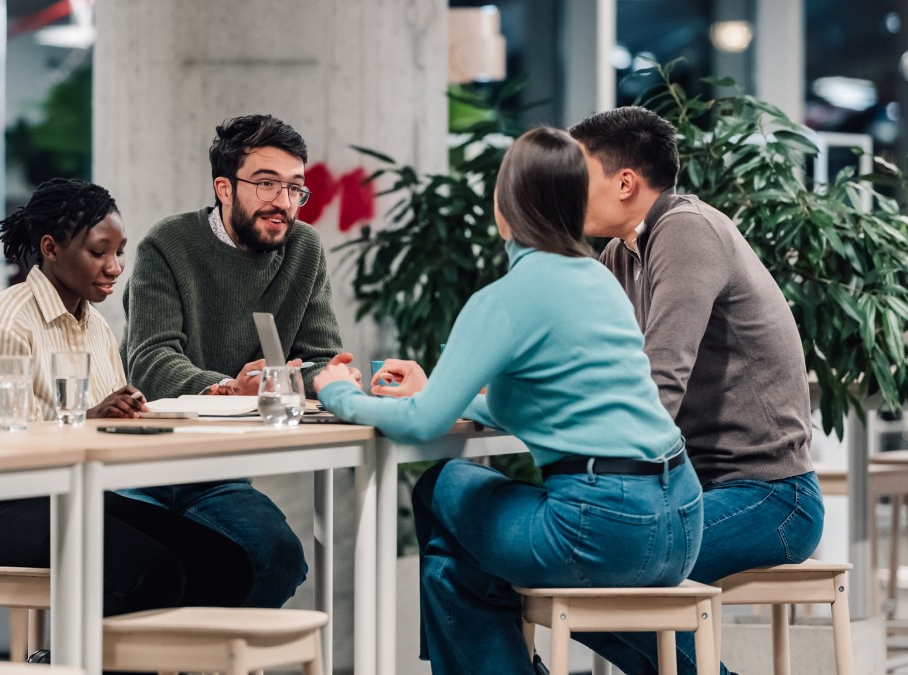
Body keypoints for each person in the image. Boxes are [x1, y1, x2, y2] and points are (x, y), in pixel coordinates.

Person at [313, 127, 704, 675]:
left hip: (600, 528)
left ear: (505, 209)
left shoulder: (504, 299)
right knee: (454, 570)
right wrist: (454, 398)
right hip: (682, 520)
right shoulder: (600, 280)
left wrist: (338, 394)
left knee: (440, 486)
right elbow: (557, 404)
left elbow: (422, 424)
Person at [568, 105, 824, 675]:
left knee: (593, 572)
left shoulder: (685, 230)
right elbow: (585, 369)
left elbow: (660, 383)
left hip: (771, 497)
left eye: (576, 174)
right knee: (565, 566)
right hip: (694, 490)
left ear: (625, 182)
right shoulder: (622, 254)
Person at [0, 178, 253, 628]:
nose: (114, 267)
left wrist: (132, 414)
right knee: (151, 572)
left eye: (119, 252)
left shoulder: (95, 328)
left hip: (76, 495)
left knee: (226, 565)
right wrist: (88, 418)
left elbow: (108, 422)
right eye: (99, 251)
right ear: (50, 248)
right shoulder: (4, 322)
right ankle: (73, 662)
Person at [121, 114, 357, 609]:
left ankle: (199, 659)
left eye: (295, 188)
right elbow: (150, 359)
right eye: (267, 184)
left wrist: (334, 377)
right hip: (140, 469)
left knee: (279, 559)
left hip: (218, 473)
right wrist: (227, 387)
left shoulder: (303, 248)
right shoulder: (168, 245)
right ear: (224, 188)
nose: (284, 203)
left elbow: (314, 359)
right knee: (156, 568)